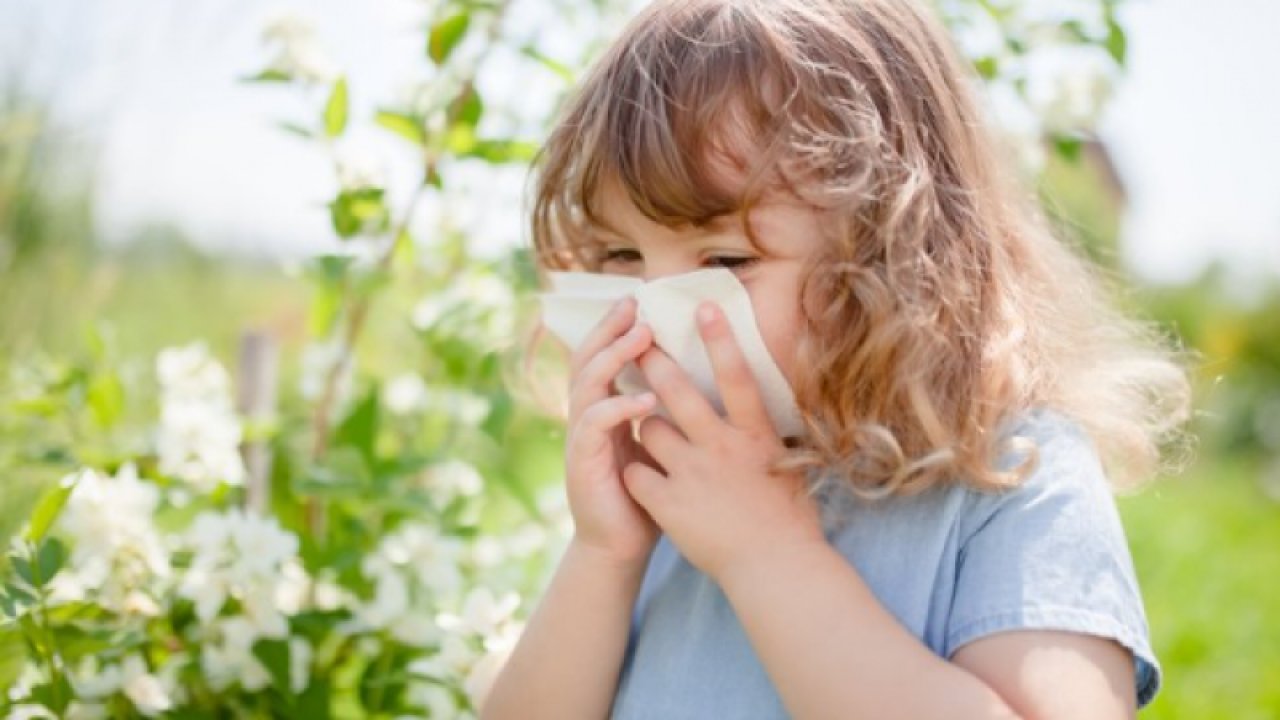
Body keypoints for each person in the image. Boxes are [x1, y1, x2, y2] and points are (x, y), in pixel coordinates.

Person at [482, 0, 1192, 717]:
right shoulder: (663, 490)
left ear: (895, 252)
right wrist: (605, 556)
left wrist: (767, 554)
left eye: (726, 259)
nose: (652, 313)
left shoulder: (1010, 471)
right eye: (619, 255)